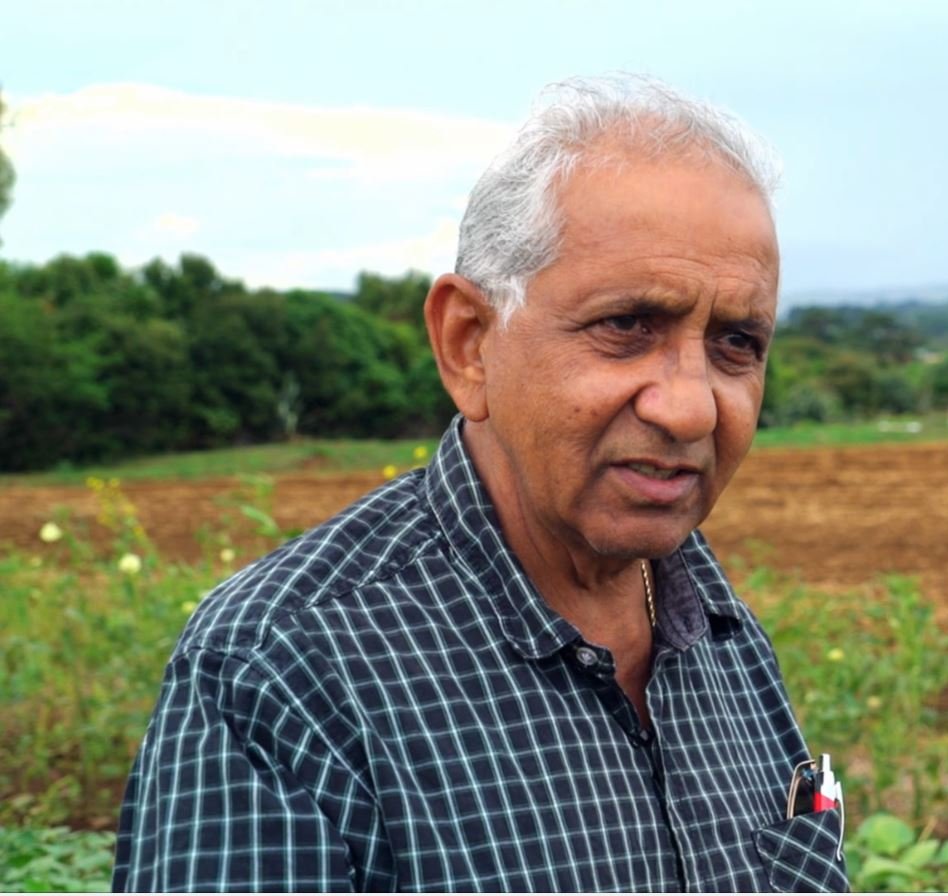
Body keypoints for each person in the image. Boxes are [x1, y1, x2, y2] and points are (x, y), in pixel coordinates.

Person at [112, 74, 847, 893]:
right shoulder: (281, 671)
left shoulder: (715, 625)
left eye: (736, 342)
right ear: (469, 345)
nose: (688, 408)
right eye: (626, 326)